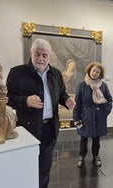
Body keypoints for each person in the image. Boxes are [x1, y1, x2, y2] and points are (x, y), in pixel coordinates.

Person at [6, 38, 76, 188]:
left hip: (49, 129)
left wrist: (67, 101)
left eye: (44, 55)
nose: (40, 58)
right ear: (31, 53)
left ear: (49, 56)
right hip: (27, 129)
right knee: (25, 167)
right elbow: (7, 99)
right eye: (37, 54)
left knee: (44, 169)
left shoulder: (56, 73)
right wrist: (26, 100)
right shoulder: (17, 72)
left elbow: (61, 93)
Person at [73, 62, 113, 168]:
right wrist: (76, 118)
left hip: (99, 116)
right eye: (94, 70)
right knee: (84, 138)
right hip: (85, 116)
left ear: (100, 74)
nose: (95, 73)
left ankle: (96, 156)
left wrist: (105, 112)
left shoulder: (103, 85)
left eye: (98, 72)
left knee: (96, 138)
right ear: (89, 70)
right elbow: (77, 103)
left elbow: (109, 100)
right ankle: (81, 156)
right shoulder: (81, 85)